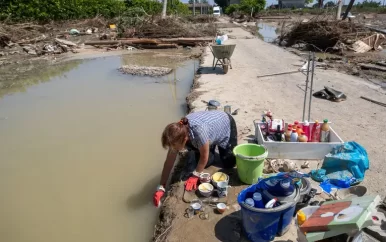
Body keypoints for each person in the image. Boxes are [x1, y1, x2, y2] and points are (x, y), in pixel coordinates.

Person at [153, 110, 238, 207]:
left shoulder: (198, 131)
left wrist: (195, 175)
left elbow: (204, 157)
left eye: (175, 148)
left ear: (184, 139)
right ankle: (209, 145)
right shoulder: (177, 133)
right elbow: (168, 163)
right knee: (205, 161)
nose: (174, 150)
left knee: (229, 163)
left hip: (225, 124)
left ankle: (212, 144)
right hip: (208, 131)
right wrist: (161, 186)